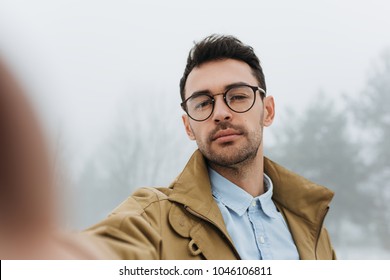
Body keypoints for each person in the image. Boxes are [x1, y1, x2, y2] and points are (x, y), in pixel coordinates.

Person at [0, 34, 336, 260]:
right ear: (188, 125)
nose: (220, 113)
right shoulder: (153, 219)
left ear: (269, 110)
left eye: (237, 96)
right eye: (202, 103)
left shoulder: (311, 226)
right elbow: (104, 253)